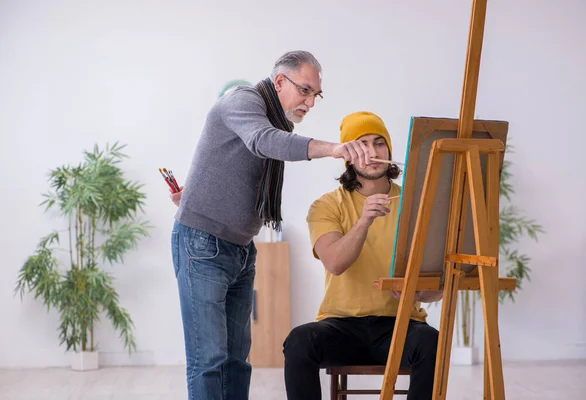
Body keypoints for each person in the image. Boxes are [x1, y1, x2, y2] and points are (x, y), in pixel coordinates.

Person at [169, 51, 375, 400]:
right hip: (202, 244)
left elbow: (233, 159)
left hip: (240, 248)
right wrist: (333, 149)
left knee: (236, 360)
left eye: (316, 95)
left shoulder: (278, 122)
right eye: (305, 90)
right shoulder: (244, 101)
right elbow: (264, 142)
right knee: (210, 360)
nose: (310, 102)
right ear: (279, 81)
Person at [282, 111, 443, 400]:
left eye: (379, 143)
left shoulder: (417, 205)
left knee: (431, 342)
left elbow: (439, 287)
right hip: (341, 326)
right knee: (299, 341)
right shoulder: (326, 206)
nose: (371, 152)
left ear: (389, 152)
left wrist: (421, 292)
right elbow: (335, 263)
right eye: (361, 144)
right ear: (348, 157)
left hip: (399, 324)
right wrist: (364, 221)